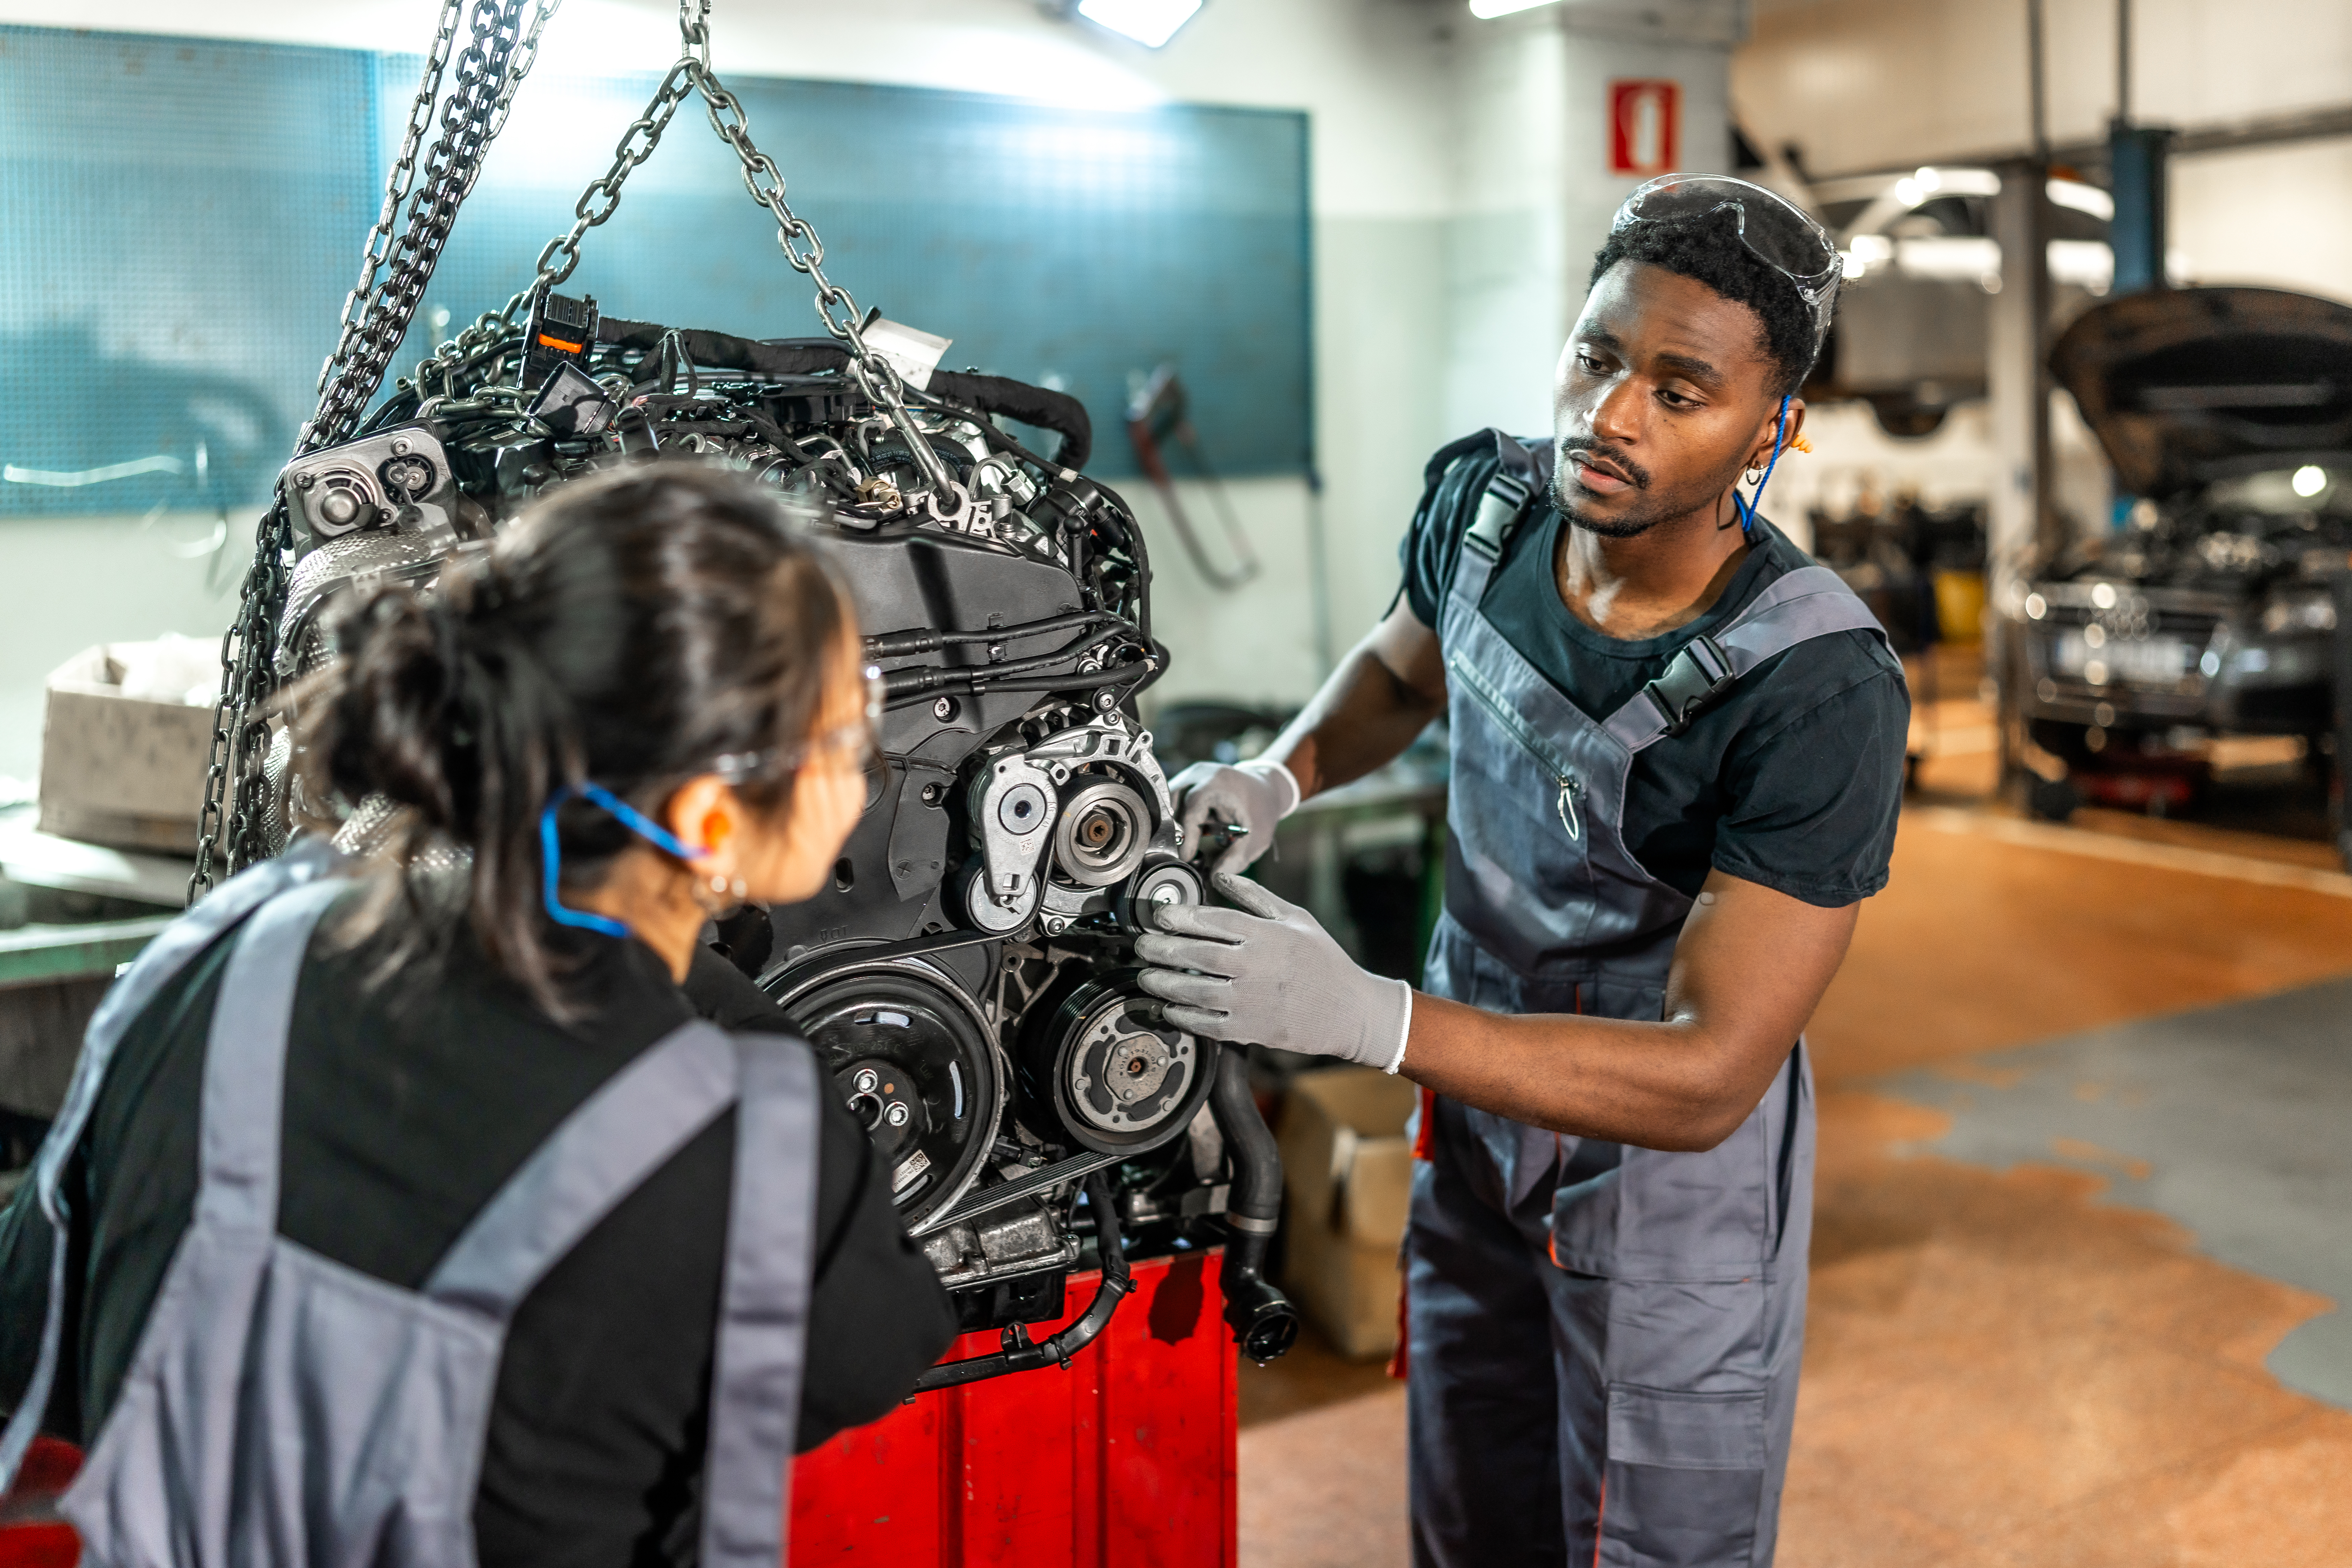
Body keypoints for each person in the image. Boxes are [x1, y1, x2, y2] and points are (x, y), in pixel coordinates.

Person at [1140, 175, 1909, 1568]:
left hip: (1659, 1180)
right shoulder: (1486, 506)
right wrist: (1279, 774)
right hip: (1475, 1130)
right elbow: (1396, 670)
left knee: (1640, 1535)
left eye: (1682, 392)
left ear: (1772, 430)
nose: (1610, 415)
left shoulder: (1814, 684)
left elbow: (1712, 1070)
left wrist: (1372, 1020)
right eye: (1599, 356)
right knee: (1469, 1501)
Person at [0, 465, 956, 1565]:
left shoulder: (217, 960)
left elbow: (43, 1343)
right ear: (703, 817)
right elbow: (879, 1343)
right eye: (849, 737)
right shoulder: (742, 1143)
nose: (870, 768)